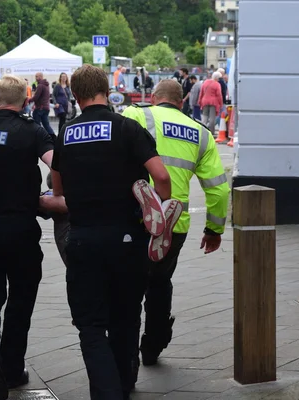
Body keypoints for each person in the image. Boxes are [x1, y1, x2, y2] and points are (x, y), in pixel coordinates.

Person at [44, 64, 174, 400]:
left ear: (75, 95)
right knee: (126, 316)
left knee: (89, 324)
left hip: (84, 238)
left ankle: (107, 391)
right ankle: (125, 381)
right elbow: (160, 177)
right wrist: (158, 205)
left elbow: (58, 190)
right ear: (106, 90)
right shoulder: (128, 128)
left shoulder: (67, 132)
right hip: (128, 238)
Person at [122, 80, 230, 374]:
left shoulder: (137, 115)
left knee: (129, 286)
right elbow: (219, 189)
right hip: (175, 224)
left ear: (155, 98)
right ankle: (153, 345)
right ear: (182, 102)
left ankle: (126, 355)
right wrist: (214, 230)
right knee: (159, 282)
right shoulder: (201, 133)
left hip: (133, 217)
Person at [0, 75, 55, 400]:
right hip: (19, 228)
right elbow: (55, 163)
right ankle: (12, 368)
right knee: (20, 298)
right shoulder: (32, 130)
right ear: (26, 98)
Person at [29, 72, 56, 139]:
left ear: (41, 77)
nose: (36, 78)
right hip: (46, 108)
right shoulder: (46, 85)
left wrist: (28, 100)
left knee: (36, 125)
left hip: (40, 108)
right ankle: (53, 138)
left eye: (37, 76)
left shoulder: (40, 85)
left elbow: (36, 97)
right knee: (46, 125)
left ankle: (38, 139)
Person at [199, 71, 223, 137]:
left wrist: (200, 101)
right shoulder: (217, 84)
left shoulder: (205, 82)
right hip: (213, 102)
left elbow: (201, 92)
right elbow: (219, 95)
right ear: (217, 78)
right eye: (219, 78)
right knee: (212, 118)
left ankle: (202, 131)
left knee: (204, 117)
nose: (219, 79)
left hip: (204, 101)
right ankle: (211, 132)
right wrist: (221, 103)